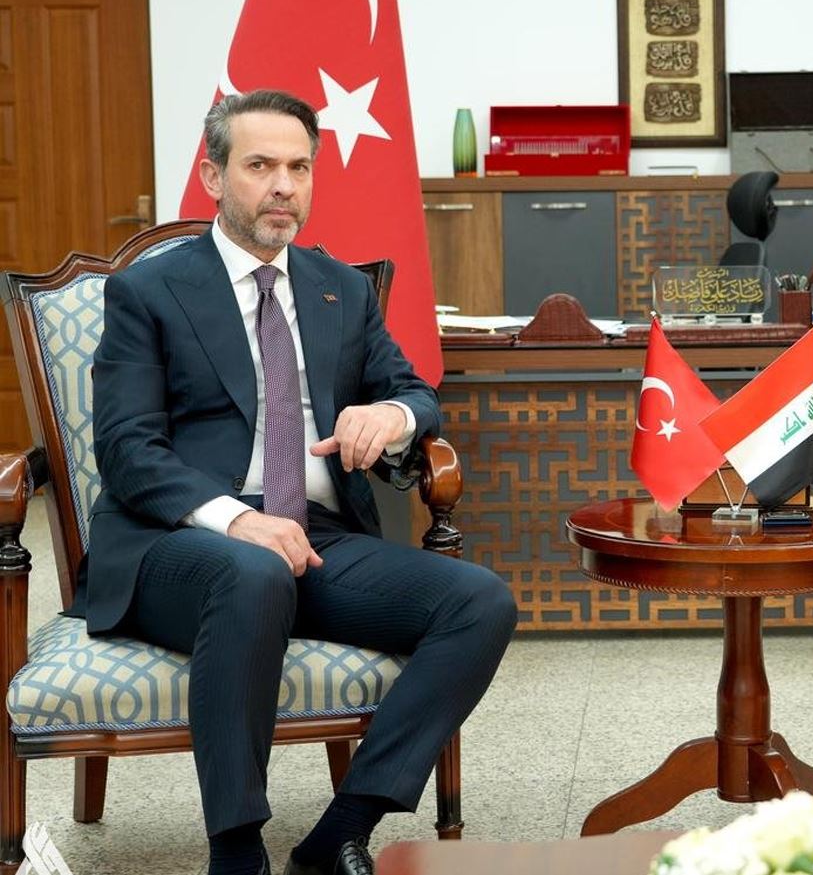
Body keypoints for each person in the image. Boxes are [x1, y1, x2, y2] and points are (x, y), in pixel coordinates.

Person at [85, 89, 517, 875]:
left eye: (298, 167)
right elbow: (126, 449)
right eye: (259, 166)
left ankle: (340, 831)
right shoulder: (149, 291)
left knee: (479, 601)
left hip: (316, 537)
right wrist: (235, 519)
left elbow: (415, 389)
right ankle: (236, 849)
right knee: (252, 571)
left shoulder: (339, 288)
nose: (283, 185)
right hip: (179, 543)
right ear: (213, 177)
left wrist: (391, 413)